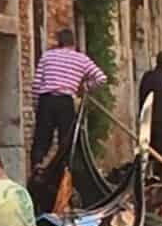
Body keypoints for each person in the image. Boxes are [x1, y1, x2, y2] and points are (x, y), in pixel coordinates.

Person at [29, 28, 107, 173]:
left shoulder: (47, 56)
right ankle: (64, 172)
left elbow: (36, 84)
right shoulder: (81, 59)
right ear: (74, 43)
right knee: (66, 141)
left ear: (59, 42)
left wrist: (37, 105)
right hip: (66, 101)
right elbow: (101, 78)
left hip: (46, 100)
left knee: (41, 139)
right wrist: (84, 87)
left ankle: (36, 169)